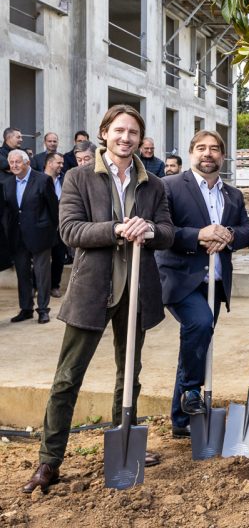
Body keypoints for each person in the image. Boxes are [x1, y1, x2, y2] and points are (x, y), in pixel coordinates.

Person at [21, 104, 175, 495]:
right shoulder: (79, 177)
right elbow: (70, 230)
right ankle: (49, 460)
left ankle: (124, 442)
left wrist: (150, 228)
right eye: (119, 131)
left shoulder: (154, 184)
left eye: (134, 133)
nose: (126, 139)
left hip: (137, 291)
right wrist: (118, 229)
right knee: (68, 376)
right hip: (93, 290)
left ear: (141, 140)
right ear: (104, 132)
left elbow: (169, 233)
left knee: (130, 374)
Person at [156, 130, 249, 438]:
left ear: (222, 156)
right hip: (181, 278)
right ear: (191, 153)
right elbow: (164, 231)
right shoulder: (169, 186)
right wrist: (200, 234)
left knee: (196, 344)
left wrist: (228, 235)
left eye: (214, 149)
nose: (207, 153)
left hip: (216, 281)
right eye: (201, 148)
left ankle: (181, 420)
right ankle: (191, 391)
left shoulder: (233, 195)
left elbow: (246, 231)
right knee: (199, 324)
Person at [2, 149, 59, 324]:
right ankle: (26, 309)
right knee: (22, 273)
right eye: (11, 163)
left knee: (42, 274)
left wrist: (51, 230)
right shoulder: (7, 183)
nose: (14, 166)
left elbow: (53, 208)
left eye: (17, 162)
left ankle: (43, 309)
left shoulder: (43, 180)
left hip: (40, 235)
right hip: (17, 237)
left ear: (27, 162)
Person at [43, 153, 68, 298]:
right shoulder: (38, 179)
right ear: (50, 163)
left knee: (59, 258)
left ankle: (54, 286)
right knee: (42, 259)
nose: (61, 166)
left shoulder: (64, 179)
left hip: (61, 226)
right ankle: (36, 286)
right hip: (44, 227)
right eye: (59, 163)